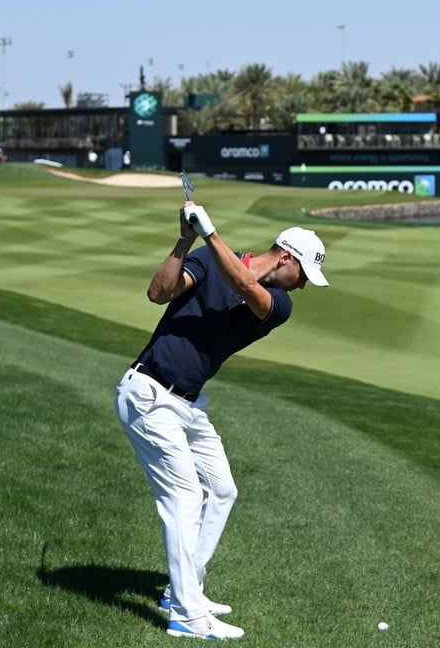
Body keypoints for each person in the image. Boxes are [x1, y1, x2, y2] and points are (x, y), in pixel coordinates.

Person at [115, 203, 329, 641]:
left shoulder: (279, 304)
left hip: (189, 405)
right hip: (149, 394)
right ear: (287, 257)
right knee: (185, 498)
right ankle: (187, 617)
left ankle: (183, 591)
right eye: (304, 274)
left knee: (221, 489)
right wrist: (186, 239)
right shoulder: (209, 260)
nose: (303, 286)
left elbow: (245, 283)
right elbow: (158, 294)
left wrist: (211, 231)